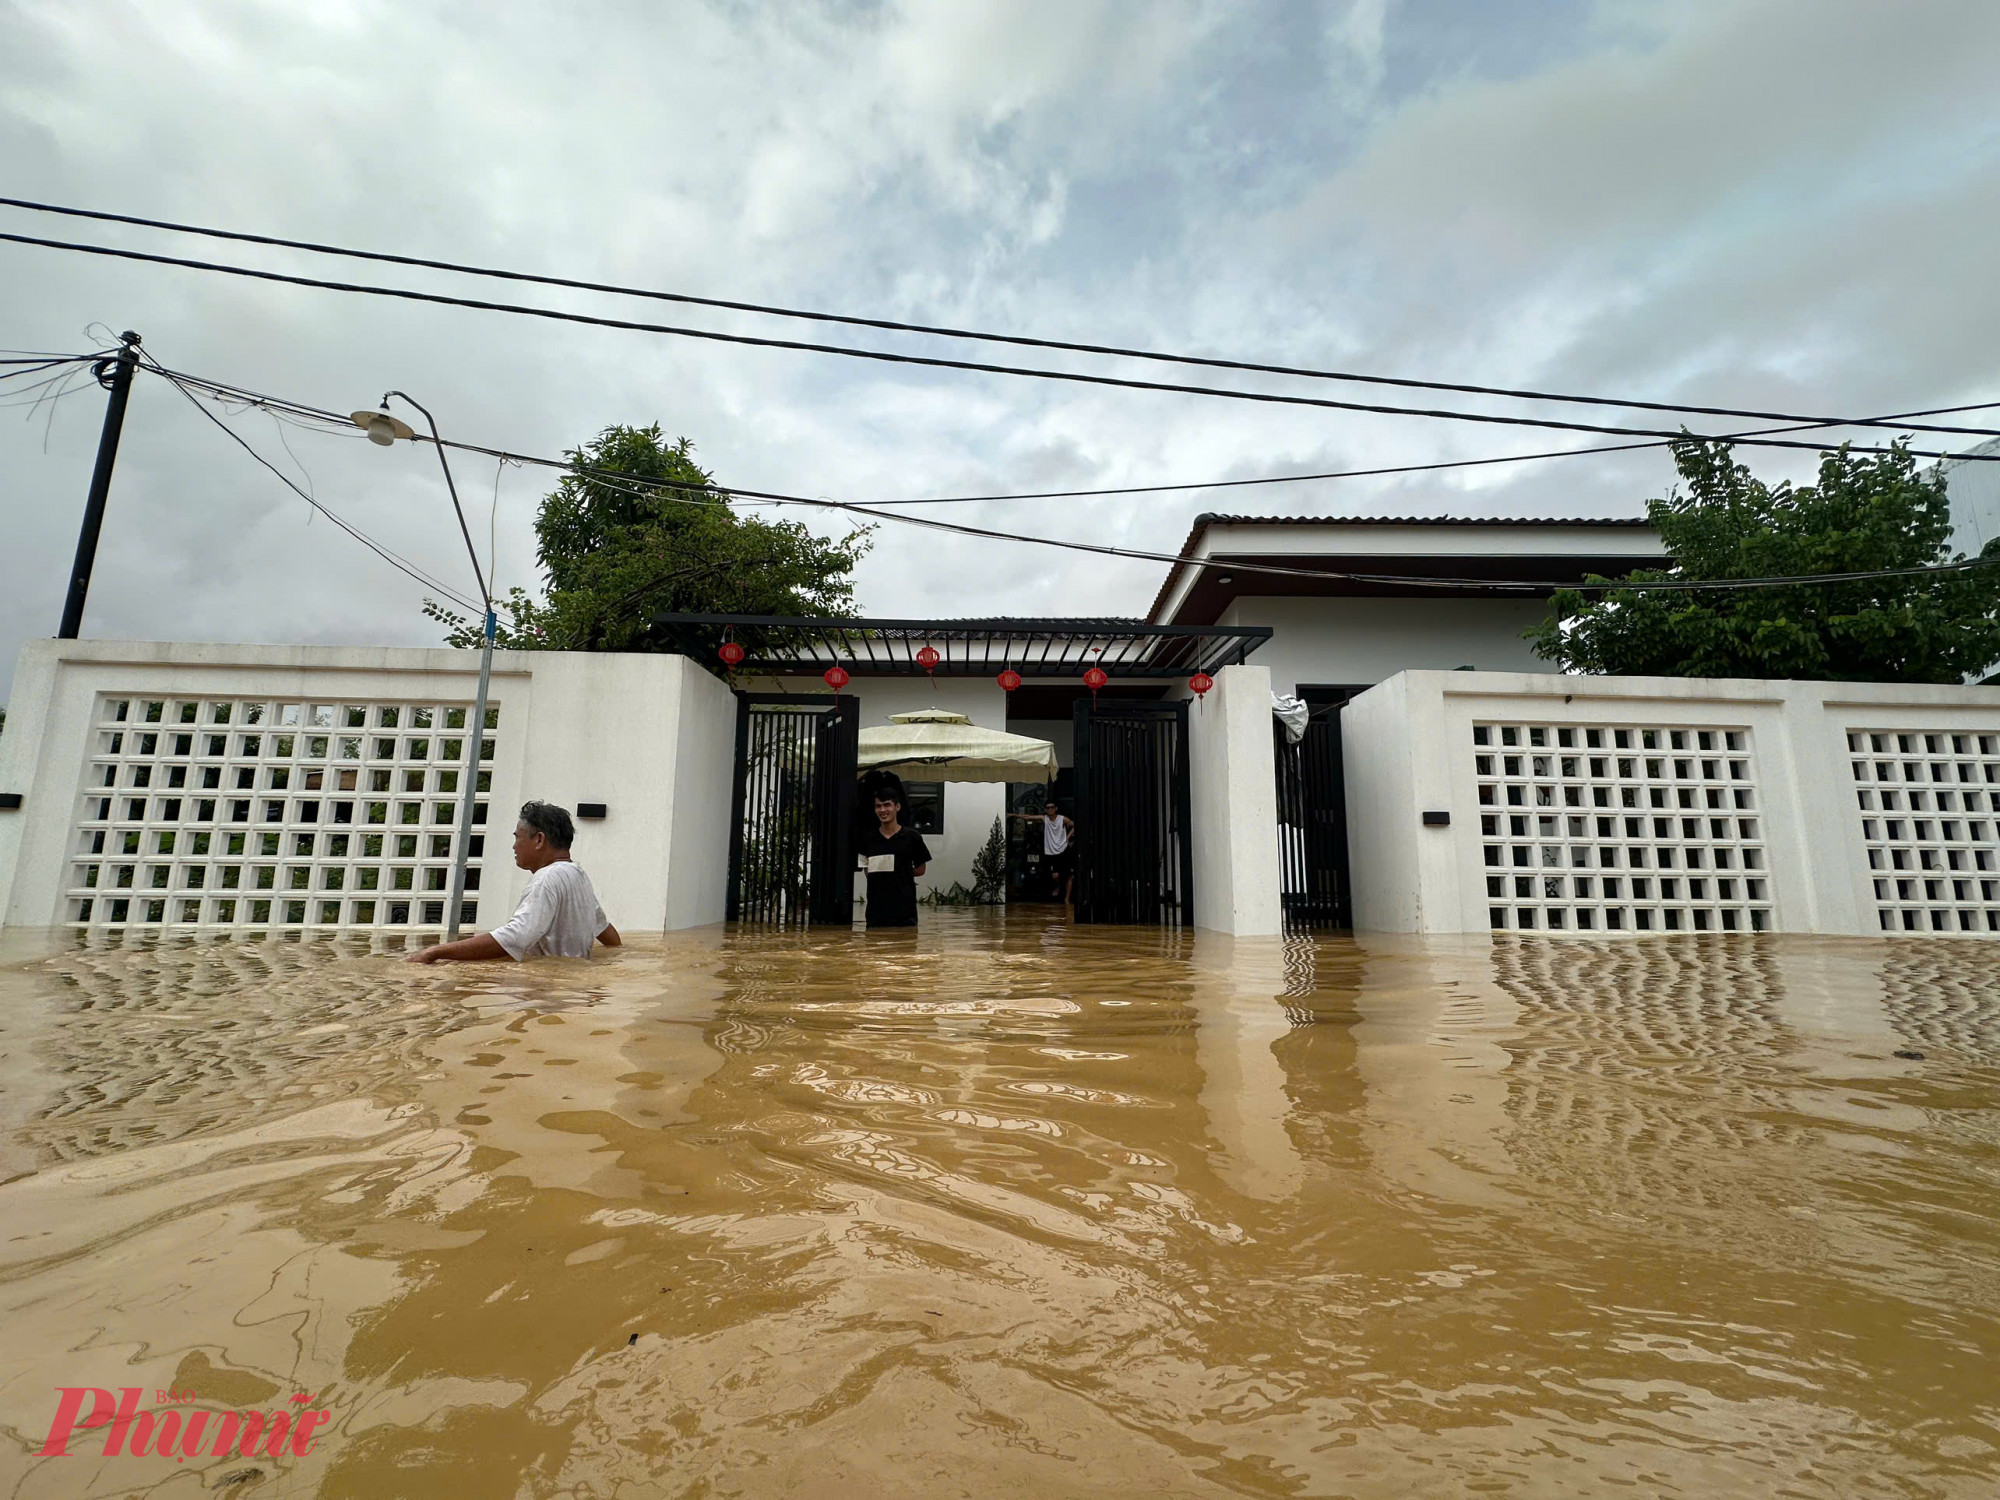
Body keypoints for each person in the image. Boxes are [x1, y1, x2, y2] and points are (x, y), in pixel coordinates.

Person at [406, 800, 620, 962]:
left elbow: (515, 937)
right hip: (573, 989)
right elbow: (609, 935)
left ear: (539, 840)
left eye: (518, 836)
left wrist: (434, 952)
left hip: (546, 992)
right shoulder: (579, 876)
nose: (514, 846)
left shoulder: (545, 879)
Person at [857, 788, 930, 929]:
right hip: (875, 914)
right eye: (878, 806)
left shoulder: (912, 837)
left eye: (887, 805)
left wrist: (900, 871)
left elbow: (921, 869)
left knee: (905, 948)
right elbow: (866, 870)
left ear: (897, 806)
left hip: (905, 913)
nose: (882, 810)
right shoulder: (867, 839)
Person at [1011, 798, 1075, 904]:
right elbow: (1027, 817)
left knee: (1068, 875)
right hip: (1050, 851)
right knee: (1054, 875)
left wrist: (1067, 837)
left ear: (1056, 809)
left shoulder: (1062, 819)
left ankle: (1067, 898)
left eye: (1052, 807)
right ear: (1045, 809)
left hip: (1063, 849)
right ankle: (1058, 888)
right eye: (1048, 808)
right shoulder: (1044, 818)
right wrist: (1012, 815)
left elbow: (1075, 825)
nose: (1050, 810)